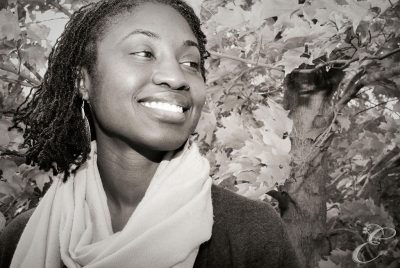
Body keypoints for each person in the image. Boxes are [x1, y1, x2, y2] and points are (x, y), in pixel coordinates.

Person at [0, 0, 301, 267]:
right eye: (144, 53)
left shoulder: (251, 234)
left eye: (190, 63)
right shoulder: (20, 239)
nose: (176, 77)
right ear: (84, 81)